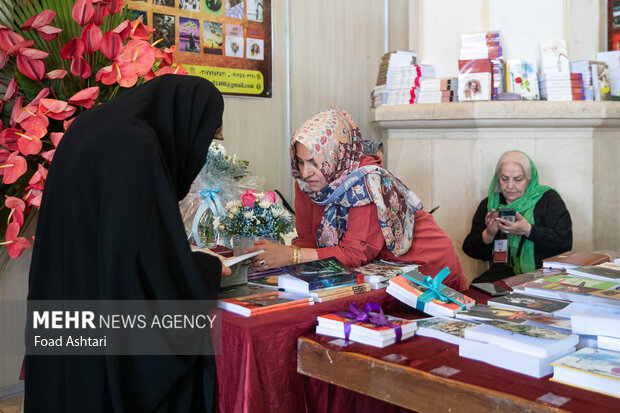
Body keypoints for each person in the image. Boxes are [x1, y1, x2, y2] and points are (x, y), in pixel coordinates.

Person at [25, 75, 228, 412]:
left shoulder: (89, 126)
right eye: (206, 139)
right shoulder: (137, 145)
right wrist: (205, 268)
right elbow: (142, 269)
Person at [246, 106, 467, 291]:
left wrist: (291, 256)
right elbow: (307, 241)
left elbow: (354, 253)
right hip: (376, 271)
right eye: (301, 162)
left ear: (336, 155)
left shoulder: (366, 181)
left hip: (423, 264)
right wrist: (280, 258)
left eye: (314, 162)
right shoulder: (307, 183)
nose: (305, 172)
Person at [463, 150, 572, 283]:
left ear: (529, 179)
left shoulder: (547, 199)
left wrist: (528, 230)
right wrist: (489, 234)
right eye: (504, 179)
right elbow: (470, 249)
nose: (510, 186)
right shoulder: (491, 204)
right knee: (477, 288)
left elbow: (565, 243)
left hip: (545, 272)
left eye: (518, 179)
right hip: (506, 272)